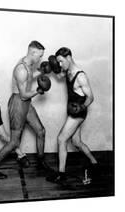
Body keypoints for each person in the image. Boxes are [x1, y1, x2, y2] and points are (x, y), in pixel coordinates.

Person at [0, 41, 52, 179]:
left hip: (26, 104)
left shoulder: (28, 64)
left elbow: (29, 79)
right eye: (39, 56)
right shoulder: (21, 69)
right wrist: (39, 90)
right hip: (18, 104)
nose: (40, 59)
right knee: (14, 142)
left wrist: (41, 72)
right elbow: (23, 94)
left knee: (41, 131)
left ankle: (40, 162)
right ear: (33, 52)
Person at [46, 47, 98, 184]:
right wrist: (51, 67)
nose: (60, 65)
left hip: (78, 112)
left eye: (61, 61)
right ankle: (94, 163)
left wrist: (81, 107)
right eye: (59, 62)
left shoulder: (80, 76)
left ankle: (61, 174)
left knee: (61, 139)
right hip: (72, 110)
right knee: (76, 142)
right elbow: (59, 76)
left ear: (69, 58)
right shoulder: (67, 70)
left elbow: (91, 97)